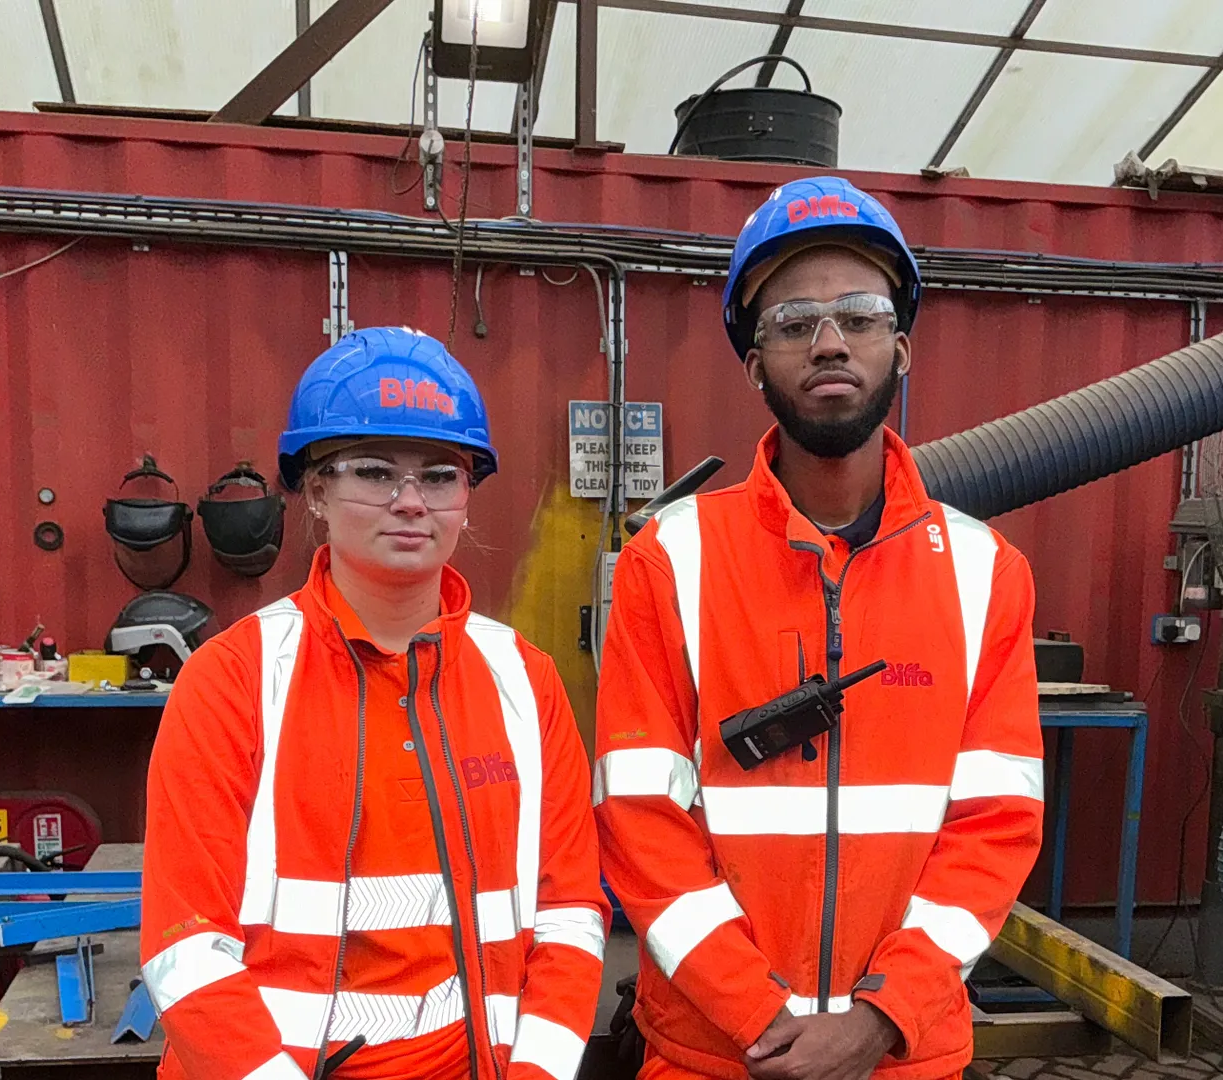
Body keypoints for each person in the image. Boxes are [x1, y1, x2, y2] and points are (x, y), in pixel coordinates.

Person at [593, 177, 1045, 1080]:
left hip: (900, 1057)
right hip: (715, 1056)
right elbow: (640, 821)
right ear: (755, 364)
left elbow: (995, 826)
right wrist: (761, 1019)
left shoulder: (986, 572)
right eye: (794, 322)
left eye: (860, 315)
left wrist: (880, 1019)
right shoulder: (668, 562)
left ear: (901, 348)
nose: (830, 341)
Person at [139, 327, 606, 1080]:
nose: (411, 502)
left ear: (467, 495)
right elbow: (185, 948)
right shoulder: (234, 681)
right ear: (315, 491)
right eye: (375, 471)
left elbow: (570, 918)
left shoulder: (526, 680)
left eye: (441, 475)